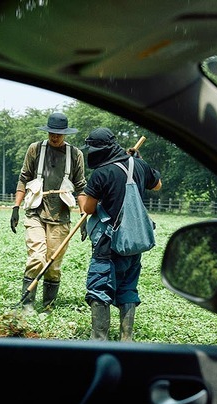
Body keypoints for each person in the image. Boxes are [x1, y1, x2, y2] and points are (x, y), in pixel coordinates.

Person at [80, 127, 162, 341]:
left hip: (108, 244)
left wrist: (82, 196)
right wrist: (139, 163)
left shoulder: (102, 172)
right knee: (127, 287)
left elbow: (88, 208)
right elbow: (158, 185)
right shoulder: (139, 165)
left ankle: (99, 341)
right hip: (133, 242)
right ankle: (127, 339)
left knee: (99, 288)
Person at [10, 112, 87, 313]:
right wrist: (16, 207)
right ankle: (27, 304)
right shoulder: (35, 149)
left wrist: (83, 216)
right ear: (48, 131)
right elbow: (23, 178)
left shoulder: (75, 154)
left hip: (61, 216)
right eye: (52, 133)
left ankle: (48, 306)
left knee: (53, 265)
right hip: (36, 211)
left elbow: (81, 187)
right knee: (37, 258)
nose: (55, 137)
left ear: (66, 134)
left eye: (59, 134)